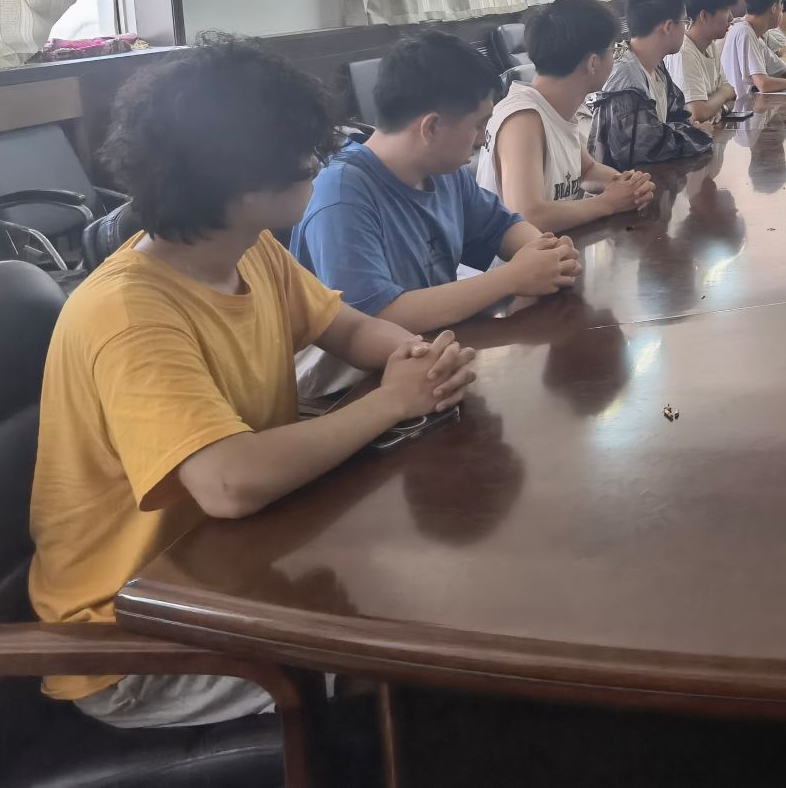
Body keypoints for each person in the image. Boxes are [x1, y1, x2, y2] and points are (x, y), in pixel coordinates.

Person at [29, 37, 479, 730]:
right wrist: (393, 401)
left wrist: (417, 357)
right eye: (302, 155)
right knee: (423, 641)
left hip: (229, 570)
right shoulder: (129, 312)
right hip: (132, 640)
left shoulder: (251, 249)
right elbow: (228, 483)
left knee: (430, 589)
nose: (318, 166)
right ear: (237, 181)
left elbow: (347, 327)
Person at [291, 31, 581, 395]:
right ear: (431, 127)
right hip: (351, 391)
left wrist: (547, 254)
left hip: (430, 369)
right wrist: (512, 278)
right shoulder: (342, 195)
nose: (482, 138)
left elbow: (503, 226)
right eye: (478, 125)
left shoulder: (444, 172)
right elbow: (379, 316)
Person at [474, 0, 655, 231]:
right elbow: (527, 216)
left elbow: (587, 171)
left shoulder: (560, 107)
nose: (615, 57)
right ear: (593, 63)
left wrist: (626, 186)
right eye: (613, 50)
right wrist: (608, 203)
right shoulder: (523, 119)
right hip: (520, 253)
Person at [591, 0, 716, 171]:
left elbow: (678, 117)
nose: (686, 29)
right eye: (685, 21)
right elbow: (649, 145)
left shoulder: (656, 66)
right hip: (622, 184)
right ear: (668, 26)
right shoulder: (626, 77)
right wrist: (700, 134)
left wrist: (690, 129)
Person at [668, 0, 740, 125]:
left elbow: (733, 93)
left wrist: (720, 108)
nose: (731, 17)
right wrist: (723, 93)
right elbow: (697, 112)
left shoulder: (710, 45)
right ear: (704, 16)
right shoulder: (684, 52)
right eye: (726, 10)